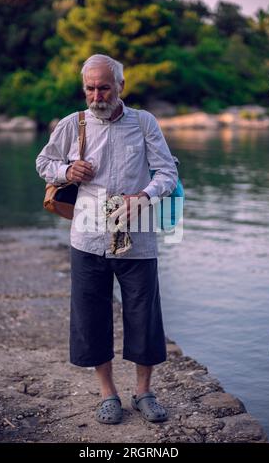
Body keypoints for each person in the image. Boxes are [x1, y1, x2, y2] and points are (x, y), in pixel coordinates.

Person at [36, 54, 178, 425]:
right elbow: (43, 163)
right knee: (91, 316)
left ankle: (144, 392)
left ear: (120, 87)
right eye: (90, 88)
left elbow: (167, 172)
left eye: (104, 87)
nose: (97, 95)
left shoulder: (145, 123)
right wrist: (67, 170)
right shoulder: (73, 123)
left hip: (137, 237)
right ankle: (107, 393)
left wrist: (144, 196)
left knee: (143, 315)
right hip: (87, 237)